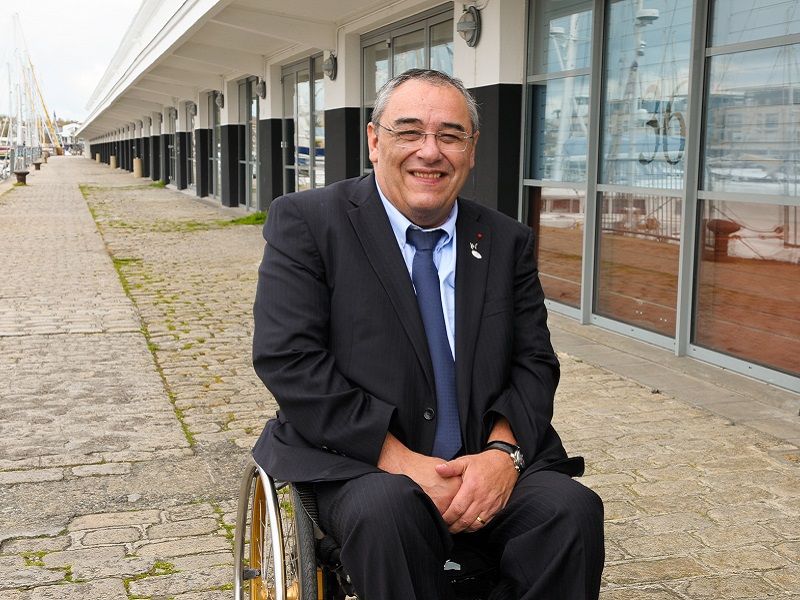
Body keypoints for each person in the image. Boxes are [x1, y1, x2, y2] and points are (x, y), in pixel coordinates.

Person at [252, 68, 604, 599]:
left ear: (471, 148)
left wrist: (501, 457)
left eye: (450, 135)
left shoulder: (505, 240)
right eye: (409, 131)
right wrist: (400, 462)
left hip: (482, 460)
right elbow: (290, 359)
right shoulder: (309, 222)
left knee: (569, 511)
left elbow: (534, 362)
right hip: (363, 466)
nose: (430, 151)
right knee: (387, 510)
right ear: (374, 140)